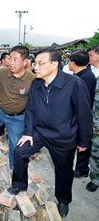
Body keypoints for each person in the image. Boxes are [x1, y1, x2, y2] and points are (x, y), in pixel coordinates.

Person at [7, 49, 93, 217]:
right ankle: (19, 184)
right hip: (39, 132)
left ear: (54, 64)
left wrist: (84, 141)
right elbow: (30, 109)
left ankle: (63, 200)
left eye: (40, 63)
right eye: (35, 63)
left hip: (63, 136)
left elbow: (84, 114)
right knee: (20, 151)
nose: (35, 67)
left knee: (63, 170)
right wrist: (28, 133)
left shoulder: (74, 84)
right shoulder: (37, 84)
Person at [68, 50, 96, 178]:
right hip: (78, 114)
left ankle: (82, 169)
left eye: (69, 61)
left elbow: (85, 102)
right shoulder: (81, 75)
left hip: (82, 115)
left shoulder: (85, 77)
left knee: (83, 143)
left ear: (73, 63)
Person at [86, 45, 99, 192]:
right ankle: (95, 179)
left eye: (91, 55)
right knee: (95, 153)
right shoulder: (91, 72)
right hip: (95, 122)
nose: (89, 58)